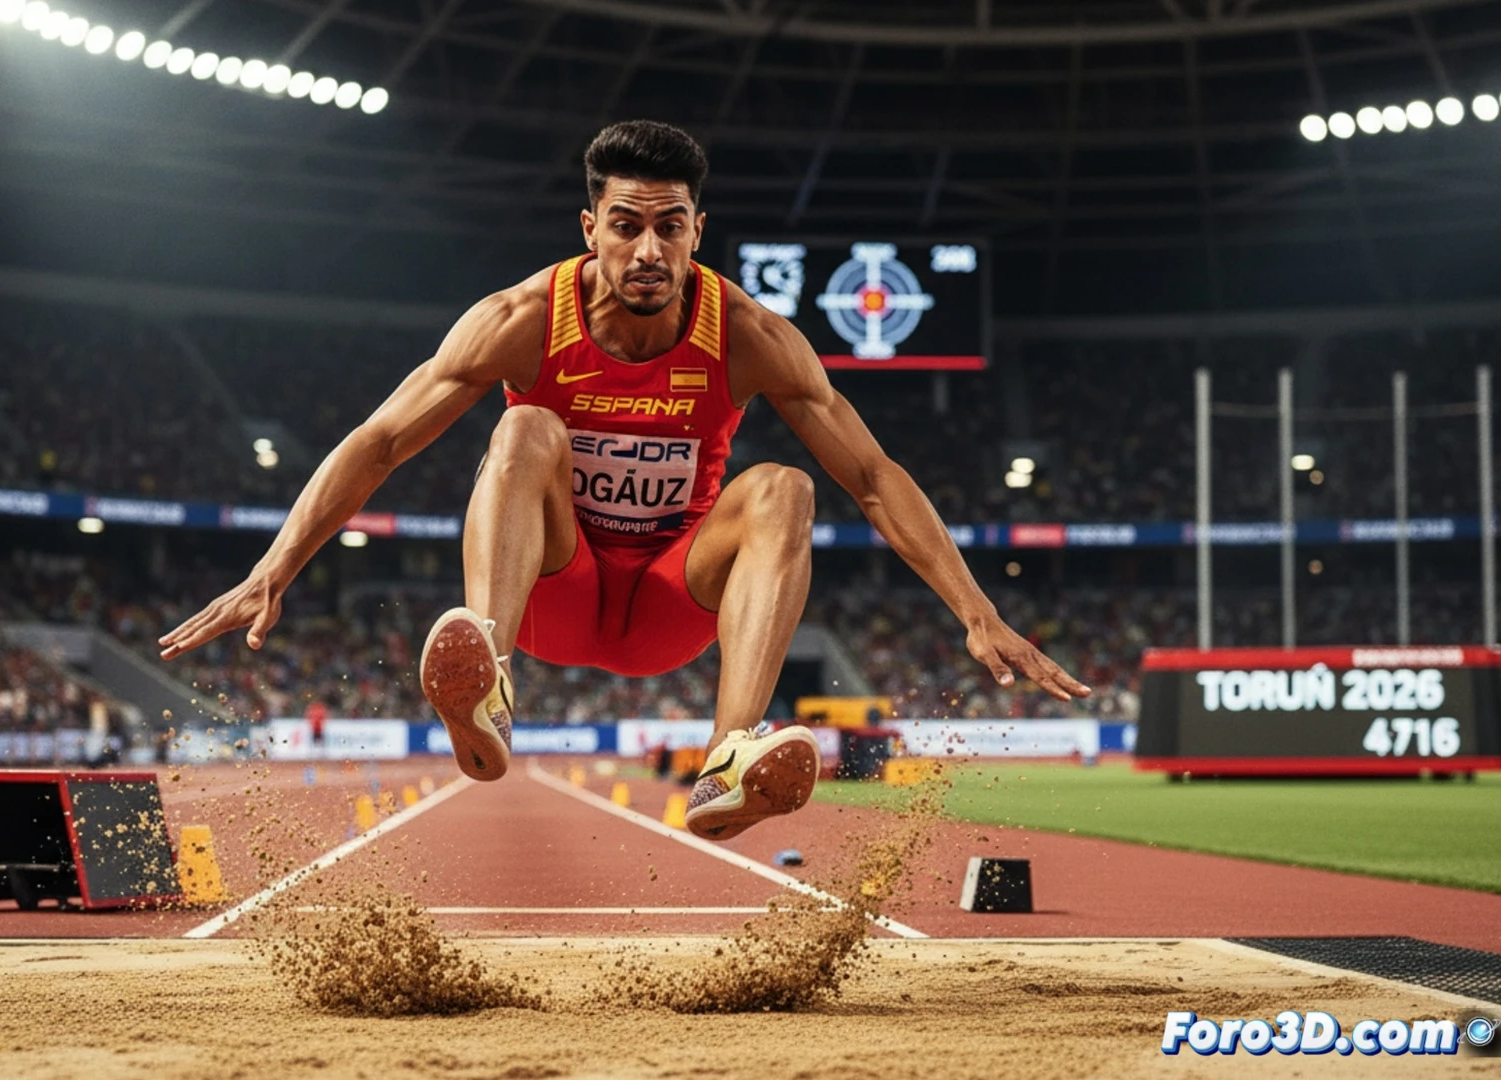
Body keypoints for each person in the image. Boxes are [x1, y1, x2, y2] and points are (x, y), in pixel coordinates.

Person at [160, 120, 1089, 840]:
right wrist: (276, 564)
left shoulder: (751, 334)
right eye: (628, 226)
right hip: (557, 585)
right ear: (591, 228)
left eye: (670, 227)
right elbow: (381, 441)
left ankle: (728, 758)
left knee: (786, 488)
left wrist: (975, 610)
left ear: (698, 231)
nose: (649, 251)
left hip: (668, 601)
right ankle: (488, 679)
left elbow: (876, 477)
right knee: (524, 426)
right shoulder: (522, 318)